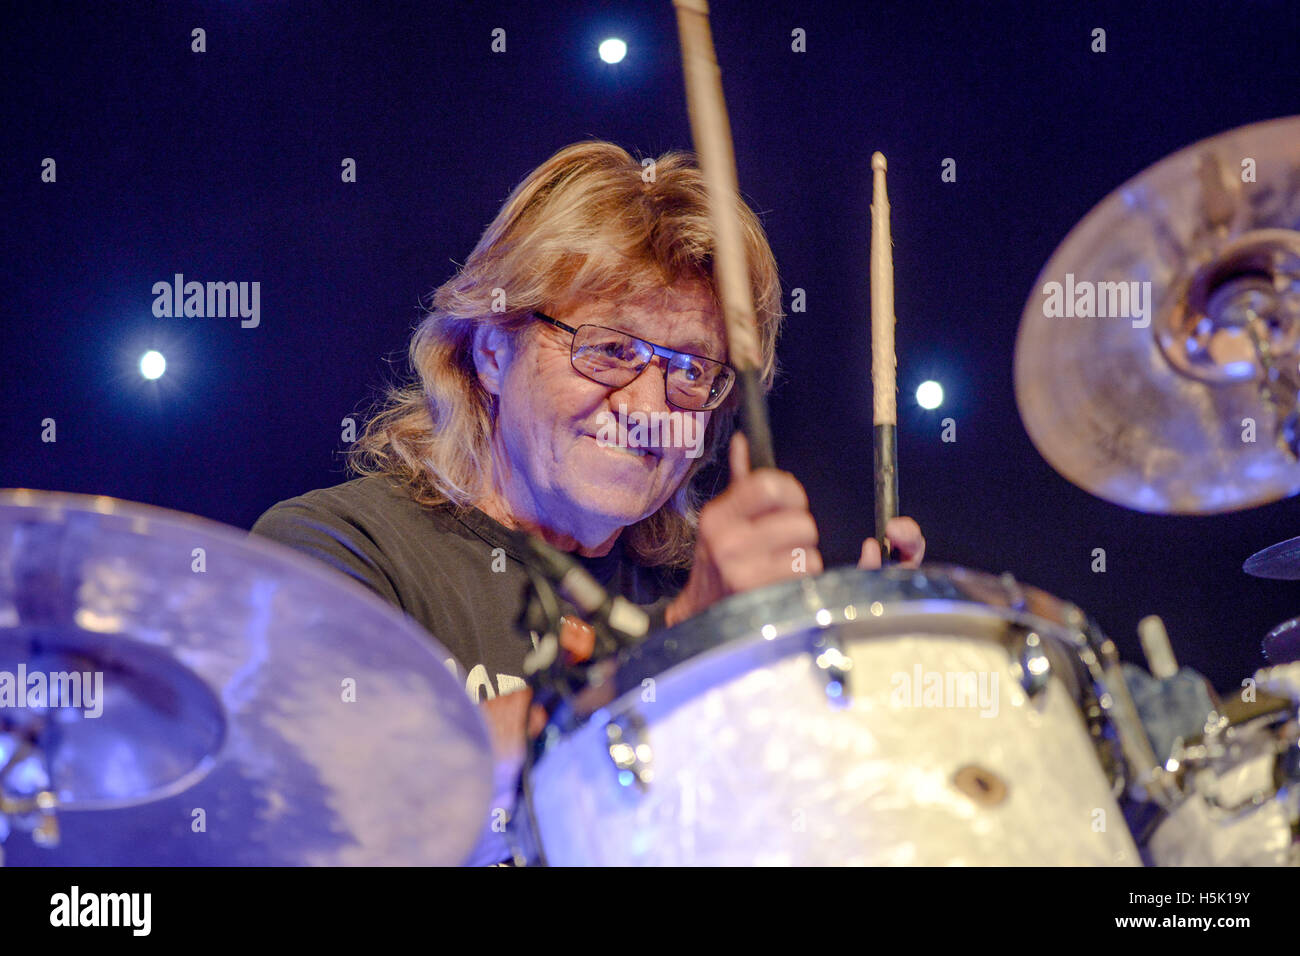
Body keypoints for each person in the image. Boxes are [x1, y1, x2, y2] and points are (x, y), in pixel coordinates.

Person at [250, 140, 925, 862]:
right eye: (607, 349)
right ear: (491, 350)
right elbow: (338, 805)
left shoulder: (694, 585)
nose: (645, 405)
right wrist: (686, 649)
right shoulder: (337, 548)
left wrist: (844, 694)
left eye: (691, 369)